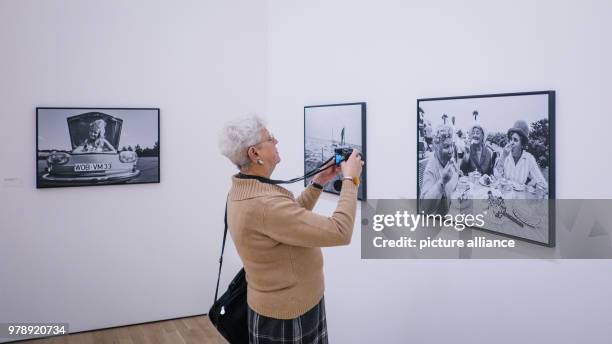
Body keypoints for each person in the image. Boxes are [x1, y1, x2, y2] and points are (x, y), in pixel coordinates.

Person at [218, 116, 363, 344]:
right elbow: (340, 231)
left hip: (282, 309)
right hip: (287, 317)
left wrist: (318, 182)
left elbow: (289, 221)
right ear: (254, 154)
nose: (276, 141)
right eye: (270, 138)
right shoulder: (264, 203)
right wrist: (350, 179)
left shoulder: (244, 189)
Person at [493, 120, 547, 187]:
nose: (511, 143)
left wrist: (534, 183)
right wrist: (503, 157)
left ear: (522, 144)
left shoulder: (529, 159)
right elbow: (496, 175)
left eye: (515, 140)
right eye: (510, 139)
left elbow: (543, 184)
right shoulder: (505, 154)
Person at [420, 124, 459, 215]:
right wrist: (442, 181)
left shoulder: (447, 160)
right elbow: (424, 209)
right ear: (436, 148)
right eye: (446, 147)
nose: (451, 150)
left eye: (451, 146)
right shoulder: (431, 168)